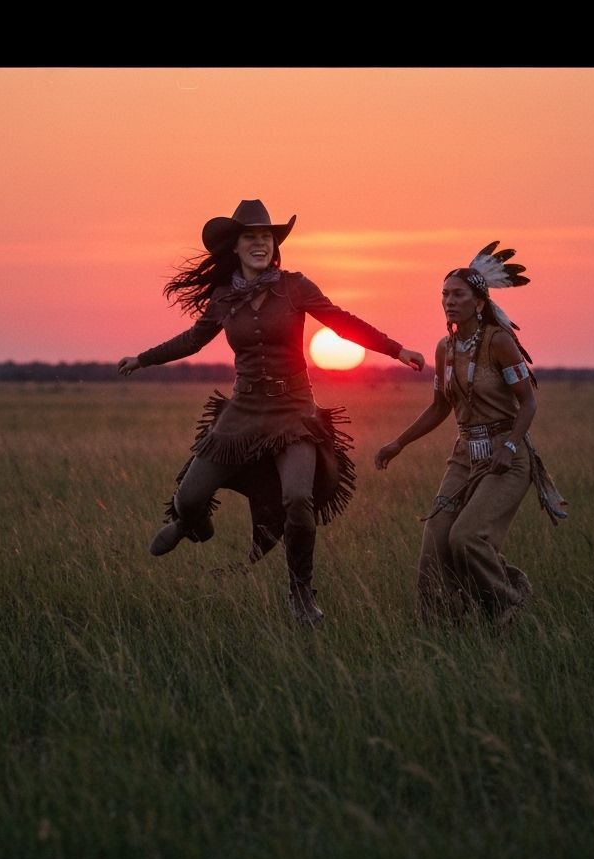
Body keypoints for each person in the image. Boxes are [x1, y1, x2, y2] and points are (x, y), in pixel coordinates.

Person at [118, 199, 425, 625]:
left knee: (298, 499)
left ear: (274, 245)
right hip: (243, 410)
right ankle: (191, 524)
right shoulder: (224, 298)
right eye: (251, 237)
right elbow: (192, 340)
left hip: (293, 411)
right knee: (189, 499)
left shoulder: (296, 287)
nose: (260, 243)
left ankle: (300, 592)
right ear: (236, 247)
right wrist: (143, 358)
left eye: (267, 237)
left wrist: (396, 349)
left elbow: (341, 322)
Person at [374, 241, 567, 625]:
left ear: (479, 302)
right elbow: (439, 407)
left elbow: (528, 402)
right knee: (435, 540)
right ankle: (443, 623)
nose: (448, 300)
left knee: (465, 538)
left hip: (505, 458)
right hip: (464, 455)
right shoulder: (445, 348)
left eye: (458, 294)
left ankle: (510, 604)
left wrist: (510, 446)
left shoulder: (499, 343)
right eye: (444, 294)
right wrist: (398, 443)